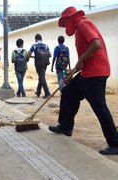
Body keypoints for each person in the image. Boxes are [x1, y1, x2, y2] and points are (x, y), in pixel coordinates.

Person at [48, 6, 118, 155]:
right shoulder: (79, 29)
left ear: (70, 19)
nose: (65, 26)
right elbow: (86, 57)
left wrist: (80, 60)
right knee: (68, 92)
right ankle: (66, 126)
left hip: (96, 73)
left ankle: (115, 143)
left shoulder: (83, 23)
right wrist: (72, 74)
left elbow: (96, 44)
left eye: (65, 23)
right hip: (87, 72)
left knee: (99, 107)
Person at [28, 33, 51, 99]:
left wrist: (33, 57)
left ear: (35, 39)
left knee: (42, 77)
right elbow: (50, 55)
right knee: (41, 77)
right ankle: (38, 92)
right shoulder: (46, 46)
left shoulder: (34, 46)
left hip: (38, 64)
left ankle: (47, 92)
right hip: (45, 63)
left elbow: (28, 53)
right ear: (41, 39)